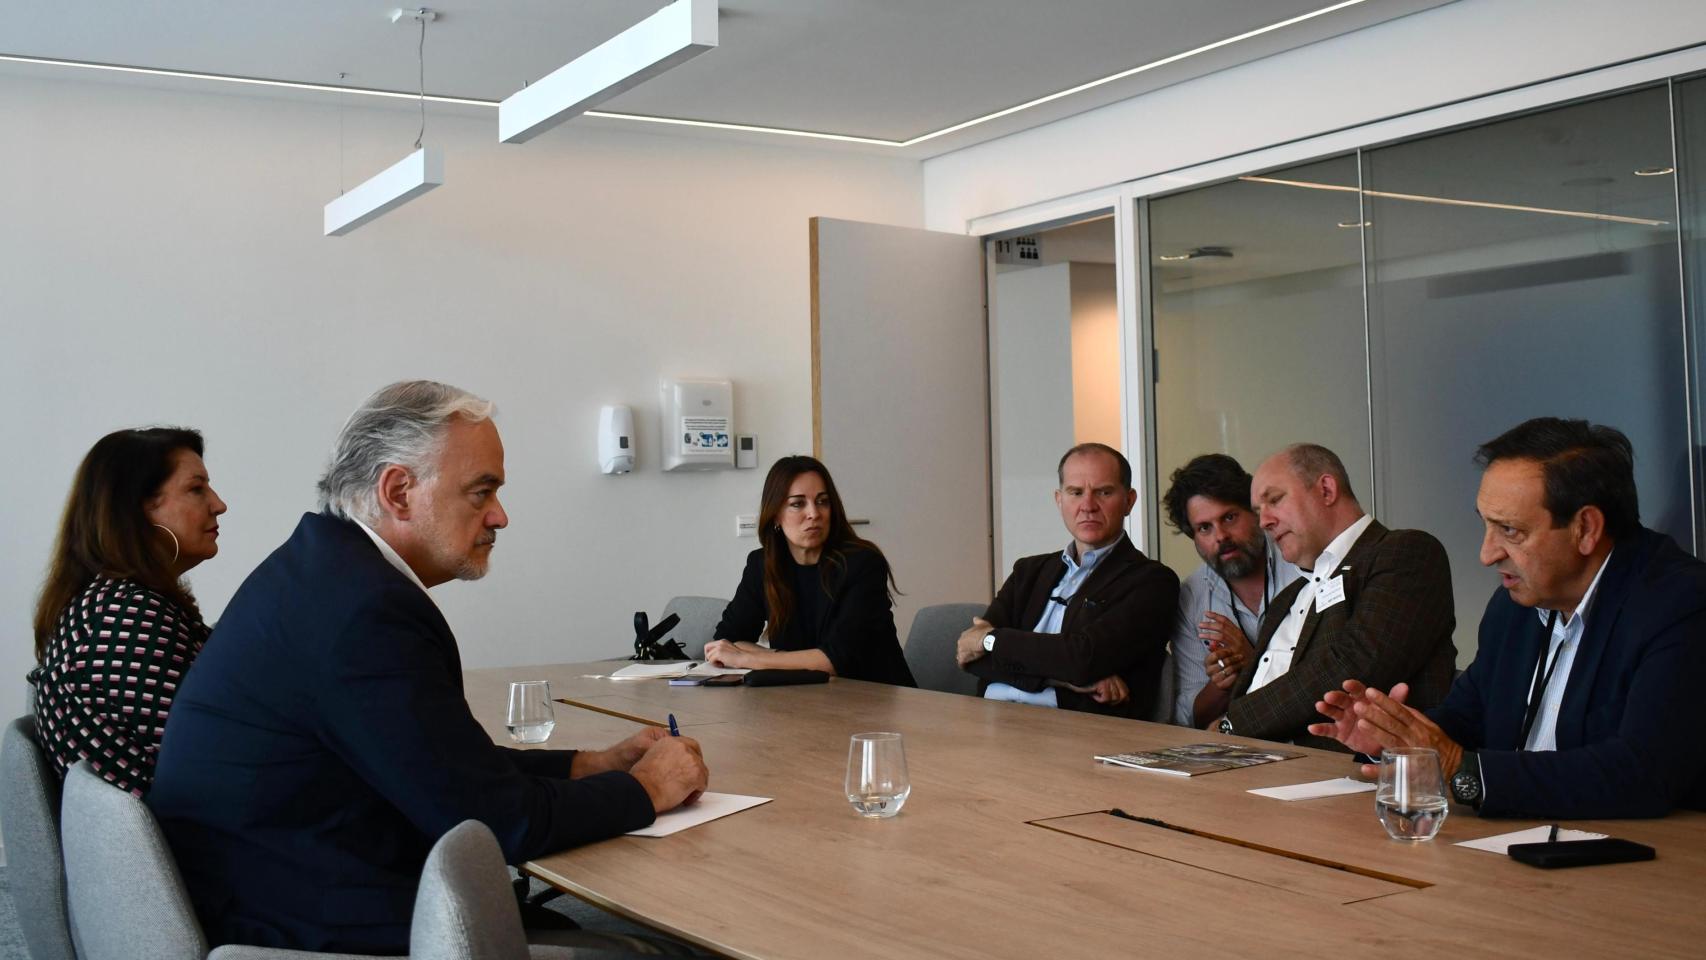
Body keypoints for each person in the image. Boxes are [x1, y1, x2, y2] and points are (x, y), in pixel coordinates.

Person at [148, 382, 708, 955]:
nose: (500, 516)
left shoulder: (324, 572)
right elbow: (492, 822)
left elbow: (442, 767)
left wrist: (588, 765)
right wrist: (645, 788)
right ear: (399, 491)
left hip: (276, 893)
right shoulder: (361, 609)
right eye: (480, 491)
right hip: (316, 932)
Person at [1311, 418, 1706, 819]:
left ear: (1585, 528)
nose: (1487, 554)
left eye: (1510, 531)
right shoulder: (1512, 607)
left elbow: (1643, 771)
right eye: (1485, 525)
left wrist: (1461, 770)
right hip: (1516, 847)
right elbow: (1464, 720)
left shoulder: (1681, 604)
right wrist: (1392, 736)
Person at [1212, 443, 1455, 747]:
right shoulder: (1289, 597)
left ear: (1326, 490)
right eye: (1259, 512)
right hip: (1246, 756)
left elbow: (1355, 663)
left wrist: (1232, 724)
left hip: (1343, 769)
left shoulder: (1405, 552)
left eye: (1274, 500)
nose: (1264, 522)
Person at [29, 428, 227, 797]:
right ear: (136, 507)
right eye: (196, 488)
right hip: (196, 846)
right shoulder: (126, 618)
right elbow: (217, 757)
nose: (218, 504)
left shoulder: (113, 604)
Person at [954, 443, 1178, 719]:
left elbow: (1082, 659)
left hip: (1077, 730)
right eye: (1076, 492)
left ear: (1129, 501)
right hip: (992, 717)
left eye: (1103, 492)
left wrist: (990, 640)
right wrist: (1061, 679)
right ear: (1059, 500)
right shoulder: (1028, 571)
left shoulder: (1153, 582)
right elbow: (972, 658)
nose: (1088, 506)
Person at [704, 455, 915, 686]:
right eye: (798, 503)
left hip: (874, 699)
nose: (814, 513)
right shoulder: (762, 564)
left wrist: (749, 658)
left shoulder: (863, 564)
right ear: (775, 514)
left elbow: (836, 660)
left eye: (822, 501)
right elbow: (728, 640)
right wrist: (776, 658)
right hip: (804, 698)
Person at [1160, 454, 1300, 727]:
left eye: (1230, 517)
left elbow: (1325, 683)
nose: (1220, 536)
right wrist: (1222, 684)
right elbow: (1190, 717)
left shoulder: (1299, 565)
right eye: (1204, 528)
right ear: (1194, 538)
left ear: (1255, 512)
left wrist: (1252, 662)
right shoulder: (1192, 596)